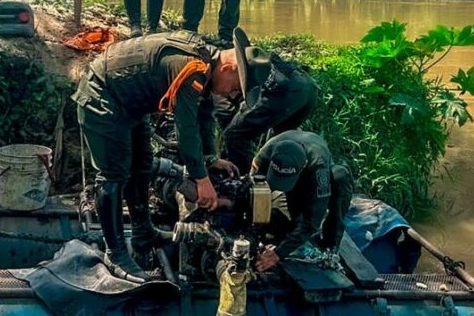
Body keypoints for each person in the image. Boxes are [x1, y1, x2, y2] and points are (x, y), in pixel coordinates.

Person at [72, 30, 241, 282]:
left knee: (142, 164)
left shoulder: (207, 68)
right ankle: (116, 252)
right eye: (235, 88)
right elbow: (186, 129)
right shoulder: (192, 68)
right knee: (113, 175)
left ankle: (142, 231)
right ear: (228, 66)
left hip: (130, 104)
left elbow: (204, 116)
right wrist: (201, 180)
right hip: (103, 95)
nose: (231, 95)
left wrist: (210, 158)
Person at [251, 130, 353, 272]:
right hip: (290, 169)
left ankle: (331, 247)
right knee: (282, 215)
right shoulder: (266, 152)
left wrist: (278, 254)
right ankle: (289, 232)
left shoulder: (319, 167)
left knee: (339, 178)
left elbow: (312, 220)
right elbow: (251, 187)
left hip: (311, 176)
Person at [222, 27, 318, 174]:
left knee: (234, 135)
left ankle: (242, 184)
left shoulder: (224, 74)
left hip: (284, 91)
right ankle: (280, 182)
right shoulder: (251, 61)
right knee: (282, 139)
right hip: (305, 83)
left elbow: (234, 122)